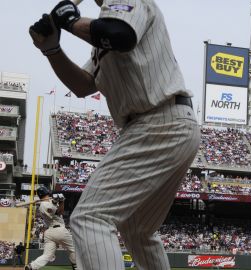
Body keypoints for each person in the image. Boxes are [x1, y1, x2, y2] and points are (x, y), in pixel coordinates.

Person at [29, 0, 200, 269]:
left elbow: (121, 34)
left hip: (158, 120)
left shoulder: (127, 4)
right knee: (137, 230)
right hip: (167, 124)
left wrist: (70, 20)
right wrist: (52, 49)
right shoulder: (101, 41)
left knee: (90, 216)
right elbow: (83, 85)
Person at [25, 187, 77, 270]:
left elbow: (53, 204)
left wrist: (57, 200)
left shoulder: (47, 202)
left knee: (47, 255)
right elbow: (60, 212)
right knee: (73, 249)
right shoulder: (44, 205)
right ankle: (76, 267)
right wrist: (62, 201)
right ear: (46, 193)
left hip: (49, 233)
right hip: (59, 230)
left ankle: (32, 266)